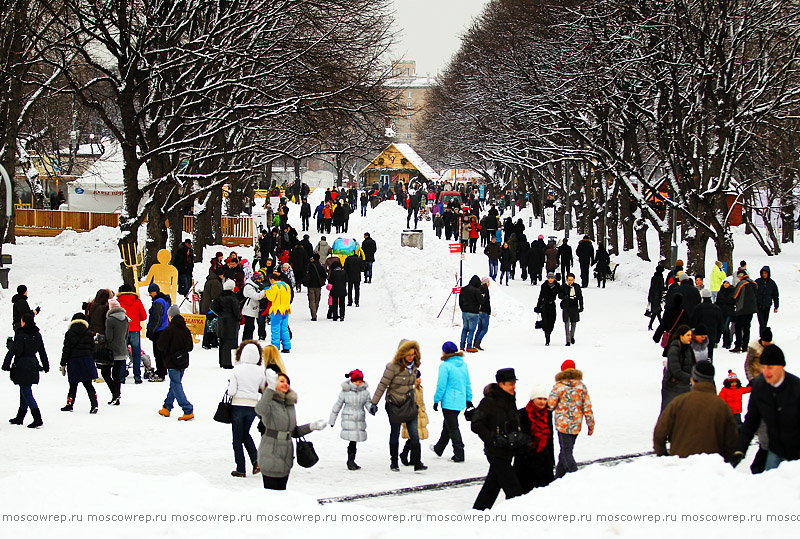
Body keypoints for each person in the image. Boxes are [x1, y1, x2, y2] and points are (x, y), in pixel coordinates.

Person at [732, 345, 800, 471]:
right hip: (774, 449)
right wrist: (740, 450)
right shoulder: (759, 387)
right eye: (763, 367)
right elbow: (751, 421)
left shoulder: (796, 388)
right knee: (771, 484)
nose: (766, 372)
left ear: (782, 367)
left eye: (770, 367)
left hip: (796, 451)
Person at [256, 370, 327, 490]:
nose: (285, 384)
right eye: (281, 381)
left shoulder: (289, 404)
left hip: (286, 456)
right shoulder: (269, 402)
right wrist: (270, 388)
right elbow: (259, 409)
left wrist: (312, 427)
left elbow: (293, 431)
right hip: (270, 453)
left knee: (282, 493)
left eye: (287, 382)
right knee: (271, 495)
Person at [654, 361, 737, 461]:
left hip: (681, 463)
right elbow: (732, 440)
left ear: (692, 380)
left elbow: (660, 432)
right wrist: (725, 463)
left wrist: (663, 454)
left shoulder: (679, 402)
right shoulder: (722, 406)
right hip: (712, 467)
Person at [368, 340, 425, 472]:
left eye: (413, 355)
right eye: (408, 355)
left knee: (414, 433)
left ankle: (417, 462)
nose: (411, 357)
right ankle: (394, 461)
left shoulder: (414, 367)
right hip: (395, 404)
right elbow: (382, 384)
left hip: (409, 403)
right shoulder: (392, 367)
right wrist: (374, 402)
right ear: (402, 354)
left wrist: (417, 403)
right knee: (395, 432)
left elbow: (412, 386)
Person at [471, 368, 523, 510]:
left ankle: (477, 513)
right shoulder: (489, 402)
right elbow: (476, 424)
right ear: (501, 384)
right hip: (495, 451)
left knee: (492, 487)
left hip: (508, 450)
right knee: (513, 489)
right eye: (510, 383)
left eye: (514, 383)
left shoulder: (510, 399)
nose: (513, 386)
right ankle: (516, 516)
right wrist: (491, 438)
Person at [548, 360, 595, 478]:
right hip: (576, 425)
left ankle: (574, 474)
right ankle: (558, 477)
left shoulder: (558, 387)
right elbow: (587, 407)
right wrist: (590, 424)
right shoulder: (581, 386)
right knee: (566, 450)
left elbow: (550, 405)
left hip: (562, 425)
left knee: (566, 451)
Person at [228, 341, 267, 477]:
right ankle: (256, 461)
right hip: (253, 407)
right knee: (245, 434)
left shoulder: (237, 370)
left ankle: (240, 469)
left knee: (237, 439)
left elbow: (232, 391)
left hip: (238, 405)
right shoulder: (260, 372)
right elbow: (262, 389)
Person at [3, 313, 49, 428]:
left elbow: (17, 351)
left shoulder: (20, 333)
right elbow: (42, 351)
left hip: (22, 365)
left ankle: (37, 418)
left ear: (24, 322)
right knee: (24, 389)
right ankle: (20, 417)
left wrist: (10, 345)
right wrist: (45, 365)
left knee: (26, 392)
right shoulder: (37, 334)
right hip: (33, 364)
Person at [431, 341, 473, 462]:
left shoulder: (445, 366)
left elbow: (441, 385)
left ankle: (459, 453)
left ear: (445, 351)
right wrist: (468, 399)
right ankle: (439, 448)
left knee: (453, 427)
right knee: (449, 425)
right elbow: (467, 383)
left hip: (449, 401)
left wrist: (436, 400)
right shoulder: (463, 365)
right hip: (460, 401)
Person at [742, 326, 774, 473]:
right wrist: (751, 379)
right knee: (755, 408)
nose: (767, 343)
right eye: (765, 341)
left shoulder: (772, 348)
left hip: (768, 381)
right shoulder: (754, 348)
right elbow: (747, 364)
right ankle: (755, 428)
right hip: (756, 380)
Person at [513, 384, 555, 492]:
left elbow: (550, 437)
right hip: (526, 459)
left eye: (545, 399)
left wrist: (551, 459)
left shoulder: (548, 414)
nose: (542, 402)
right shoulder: (522, 413)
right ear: (533, 399)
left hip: (543, 458)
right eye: (539, 398)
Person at [157, 305, 194, 421]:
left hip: (172, 361)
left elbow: (160, 345)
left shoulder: (169, 330)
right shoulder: (185, 329)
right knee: (174, 384)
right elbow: (190, 347)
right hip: (183, 361)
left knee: (176, 384)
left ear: (170, 316)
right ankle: (167, 407)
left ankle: (187, 409)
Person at [330, 369, 371, 470]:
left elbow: (368, 403)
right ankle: (350, 461)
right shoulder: (345, 392)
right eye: (356, 381)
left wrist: (372, 408)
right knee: (352, 440)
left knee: (354, 441)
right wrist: (332, 420)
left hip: (359, 418)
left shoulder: (365, 392)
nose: (358, 383)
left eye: (360, 381)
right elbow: (338, 405)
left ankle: (351, 460)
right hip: (348, 418)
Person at [59, 313, 99, 413]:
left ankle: (69, 404)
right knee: (88, 384)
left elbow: (66, 350)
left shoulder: (69, 333)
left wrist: (63, 363)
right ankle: (94, 404)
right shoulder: (88, 333)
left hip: (74, 361)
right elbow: (93, 348)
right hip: (86, 360)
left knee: (73, 385)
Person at [660, 325, 696, 411]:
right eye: (688, 335)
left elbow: (693, 365)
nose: (690, 337)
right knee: (670, 413)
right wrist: (691, 378)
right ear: (681, 336)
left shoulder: (689, 348)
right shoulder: (674, 349)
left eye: (691, 335)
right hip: (672, 386)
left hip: (684, 386)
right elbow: (676, 370)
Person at [116, 284, 147, 383]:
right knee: (136, 354)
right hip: (135, 330)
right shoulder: (137, 301)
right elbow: (143, 316)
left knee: (122, 354)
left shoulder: (118, 302)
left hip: (122, 330)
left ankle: (121, 377)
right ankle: (137, 376)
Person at [103, 298, 129, 405]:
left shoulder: (110, 320)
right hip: (123, 350)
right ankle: (117, 396)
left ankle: (115, 394)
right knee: (116, 374)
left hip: (112, 351)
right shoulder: (126, 319)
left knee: (105, 373)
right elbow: (126, 335)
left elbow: (109, 337)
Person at [400, 370, 429, 466]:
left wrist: (423, 411)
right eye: (417, 378)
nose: (419, 379)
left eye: (420, 377)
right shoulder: (409, 390)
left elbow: (421, 402)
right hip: (411, 415)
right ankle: (406, 455)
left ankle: (412, 458)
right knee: (413, 437)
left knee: (415, 438)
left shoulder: (419, 389)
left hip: (419, 414)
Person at [211, 279, 241, 369]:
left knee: (222, 343)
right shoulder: (233, 298)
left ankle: (222, 361)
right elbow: (236, 310)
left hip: (222, 321)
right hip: (230, 322)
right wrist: (238, 317)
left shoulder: (220, 296)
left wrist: (220, 314)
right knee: (228, 343)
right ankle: (227, 363)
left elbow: (213, 307)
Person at [146, 283, 170, 382]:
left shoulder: (158, 302)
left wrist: (151, 331)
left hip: (159, 330)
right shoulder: (165, 300)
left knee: (158, 353)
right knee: (162, 353)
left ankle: (161, 373)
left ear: (155, 291)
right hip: (165, 328)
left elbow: (156, 318)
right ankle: (163, 370)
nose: (149, 294)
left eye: (150, 292)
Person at [691, 289, 723, 361]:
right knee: (709, 354)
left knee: (698, 353)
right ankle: (708, 367)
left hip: (699, 335)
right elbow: (720, 324)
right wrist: (717, 338)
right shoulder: (717, 308)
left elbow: (693, 322)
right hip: (712, 334)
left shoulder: (698, 308)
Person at [731, 269, 758, 353]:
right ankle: (745, 346)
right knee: (747, 328)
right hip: (751, 309)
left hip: (742, 309)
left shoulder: (742, 284)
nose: (738, 278)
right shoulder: (754, 283)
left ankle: (738, 345)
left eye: (739, 276)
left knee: (738, 327)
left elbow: (735, 295)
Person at [200, 267, 223, 349]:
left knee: (209, 325)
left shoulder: (210, 280)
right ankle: (209, 342)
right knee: (211, 325)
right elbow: (216, 296)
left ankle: (210, 342)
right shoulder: (216, 283)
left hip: (207, 306)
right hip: (212, 308)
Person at [458, 275, 482, 352]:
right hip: (474, 313)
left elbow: (460, 301)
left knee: (465, 329)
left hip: (465, 312)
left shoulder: (463, 289)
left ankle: (462, 346)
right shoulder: (476, 291)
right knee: (471, 330)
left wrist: (463, 309)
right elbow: (481, 301)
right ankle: (469, 346)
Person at [535, 272, 560, 346]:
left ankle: (548, 331)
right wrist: (538, 306)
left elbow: (561, 293)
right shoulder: (544, 285)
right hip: (544, 305)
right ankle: (547, 338)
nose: (550, 280)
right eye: (549, 278)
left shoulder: (557, 286)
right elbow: (541, 296)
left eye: (552, 278)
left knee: (552, 321)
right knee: (546, 322)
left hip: (552, 305)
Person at [559, 273, 583, 346]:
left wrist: (581, 306)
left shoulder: (577, 287)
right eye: (569, 280)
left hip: (574, 306)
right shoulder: (563, 286)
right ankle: (568, 340)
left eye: (571, 280)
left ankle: (572, 336)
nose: (570, 281)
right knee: (566, 323)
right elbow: (559, 295)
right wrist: (564, 296)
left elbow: (580, 297)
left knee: (574, 323)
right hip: (566, 306)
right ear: (567, 279)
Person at [241, 272, 266, 342]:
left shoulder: (255, 286)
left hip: (252, 309)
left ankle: (248, 341)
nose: (260, 281)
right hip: (248, 310)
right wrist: (264, 291)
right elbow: (256, 296)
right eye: (259, 280)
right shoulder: (248, 287)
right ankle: (246, 341)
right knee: (249, 327)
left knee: (251, 327)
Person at [754, 266, 779, 331]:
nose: (764, 275)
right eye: (763, 273)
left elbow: (775, 295)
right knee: (761, 323)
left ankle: (763, 336)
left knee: (765, 322)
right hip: (759, 305)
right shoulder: (757, 282)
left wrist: (776, 306)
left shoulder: (772, 283)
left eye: (765, 273)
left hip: (767, 305)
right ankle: (762, 336)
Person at [304, 253, 326, 321]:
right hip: (318, 285)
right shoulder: (320, 266)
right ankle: (315, 312)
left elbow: (305, 274)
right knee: (317, 299)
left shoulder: (309, 266)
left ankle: (313, 314)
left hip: (310, 285)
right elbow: (324, 276)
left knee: (311, 300)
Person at [716, 277, 736, 349]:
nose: (725, 284)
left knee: (726, 326)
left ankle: (728, 342)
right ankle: (725, 342)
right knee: (723, 327)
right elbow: (718, 301)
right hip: (721, 311)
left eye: (727, 283)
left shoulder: (732, 291)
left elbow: (732, 301)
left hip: (729, 311)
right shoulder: (720, 291)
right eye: (725, 283)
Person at [474, 277, 491, 351]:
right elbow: (486, 302)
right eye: (488, 282)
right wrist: (488, 311)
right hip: (484, 312)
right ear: (486, 283)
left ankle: (475, 342)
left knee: (479, 328)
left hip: (478, 311)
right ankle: (477, 342)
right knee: (484, 329)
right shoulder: (485, 290)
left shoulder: (478, 289)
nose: (489, 283)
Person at [647, 265, 665, 330]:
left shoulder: (653, 278)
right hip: (657, 297)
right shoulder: (660, 278)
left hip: (652, 296)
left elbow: (651, 287)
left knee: (657, 312)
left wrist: (649, 296)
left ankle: (654, 325)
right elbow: (662, 288)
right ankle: (662, 326)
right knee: (656, 312)